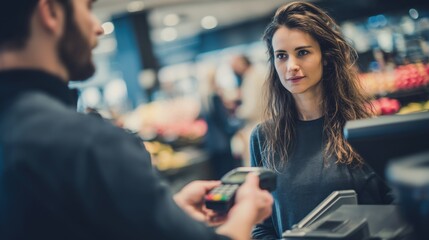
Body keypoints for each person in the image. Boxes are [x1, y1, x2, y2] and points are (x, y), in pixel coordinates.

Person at [0, 1, 273, 240]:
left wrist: (167, 214)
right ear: (50, 13)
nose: (97, 28)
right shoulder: (88, 143)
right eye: (88, 7)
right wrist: (245, 212)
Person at [250, 2, 393, 239]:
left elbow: (395, 207)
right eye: (281, 56)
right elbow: (263, 226)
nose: (291, 66)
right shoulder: (263, 137)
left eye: (303, 52)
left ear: (325, 58)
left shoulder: (365, 129)